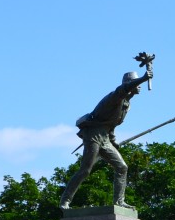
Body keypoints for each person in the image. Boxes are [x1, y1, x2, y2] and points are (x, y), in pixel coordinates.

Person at [59, 65, 153, 210]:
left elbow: (111, 124)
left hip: (105, 137)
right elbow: (122, 90)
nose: (139, 86)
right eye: (136, 83)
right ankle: (65, 201)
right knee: (86, 170)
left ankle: (119, 202)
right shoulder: (116, 97)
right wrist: (143, 78)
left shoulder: (126, 105)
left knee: (122, 167)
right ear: (129, 84)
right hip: (94, 134)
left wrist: (113, 142)